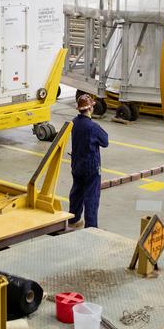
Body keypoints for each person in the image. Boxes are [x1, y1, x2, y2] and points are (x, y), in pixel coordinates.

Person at [69, 93, 109, 228]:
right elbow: (105, 141)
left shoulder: (74, 122)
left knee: (77, 193)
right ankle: (91, 227)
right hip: (91, 168)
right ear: (90, 108)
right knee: (91, 197)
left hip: (77, 165)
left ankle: (73, 220)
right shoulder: (93, 126)